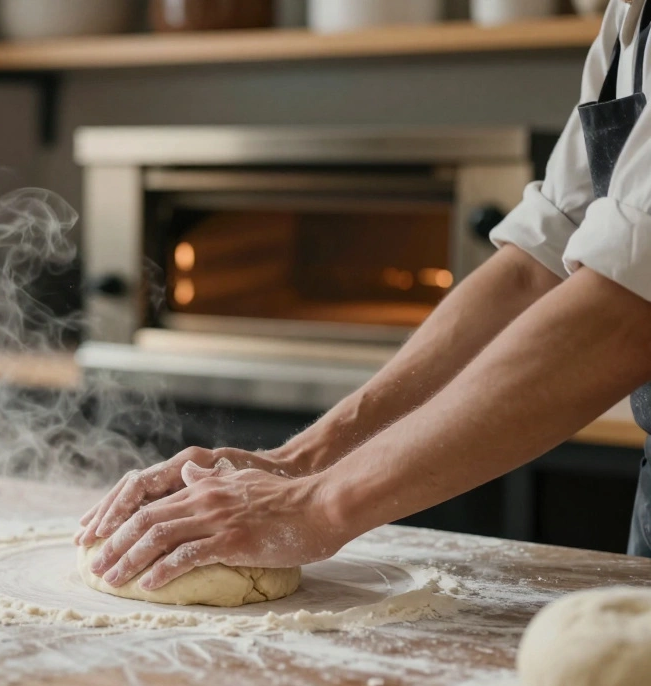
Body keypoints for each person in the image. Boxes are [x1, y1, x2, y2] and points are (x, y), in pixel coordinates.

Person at [76, 0, 651, 593]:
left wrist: (315, 506)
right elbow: (537, 265)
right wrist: (300, 461)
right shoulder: (626, 22)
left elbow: (625, 311)